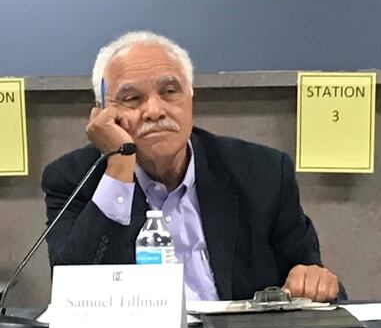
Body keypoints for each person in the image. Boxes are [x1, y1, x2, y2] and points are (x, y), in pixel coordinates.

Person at [42, 31, 342, 302]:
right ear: (103, 113)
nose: (155, 111)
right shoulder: (72, 179)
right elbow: (74, 295)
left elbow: (308, 274)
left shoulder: (261, 172)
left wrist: (313, 279)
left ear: (191, 95)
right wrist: (119, 163)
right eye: (132, 98)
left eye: (170, 91)